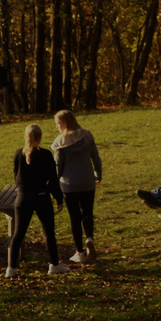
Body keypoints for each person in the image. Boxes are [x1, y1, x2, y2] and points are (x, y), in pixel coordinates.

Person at [8, 123, 67, 277]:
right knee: (48, 233)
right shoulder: (46, 155)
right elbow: (53, 180)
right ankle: (54, 264)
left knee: (18, 234)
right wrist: (59, 198)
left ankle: (11, 268)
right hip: (41, 197)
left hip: (23, 197)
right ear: (39, 138)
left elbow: (16, 177)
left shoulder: (18, 155)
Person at [51, 110, 103, 264]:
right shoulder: (87, 136)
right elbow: (96, 158)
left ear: (66, 122)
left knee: (75, 218)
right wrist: (98, 174)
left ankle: (80, 252)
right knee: (87, 213)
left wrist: (55, 183)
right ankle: (90, 238)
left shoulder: (61, 142)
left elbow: (58, 167)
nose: (57, 126)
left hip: (69, 184)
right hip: (88, 181)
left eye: (58, 123)